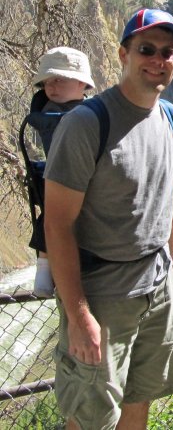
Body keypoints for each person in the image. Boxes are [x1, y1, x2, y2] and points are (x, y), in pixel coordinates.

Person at [44, 8, 173, 430]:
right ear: (123, 53)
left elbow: (167, 186)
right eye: (146, 49)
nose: (158, 59)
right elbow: (58, 226)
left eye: (169, 51)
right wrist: (79, 316)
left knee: (140, 401)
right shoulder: (87, 124)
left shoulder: (170, 118)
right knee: (90, 418)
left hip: (157, 287)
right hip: (104, 295)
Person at [29, 46, 95, 298]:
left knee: (50, 219)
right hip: (70, 181)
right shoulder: (60, 115)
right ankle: (45, 273)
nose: (51, 87)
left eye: (58, 79)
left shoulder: (50, 112)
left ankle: (45, 273)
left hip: (56, 181)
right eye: (47, 82)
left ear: (81, 83)